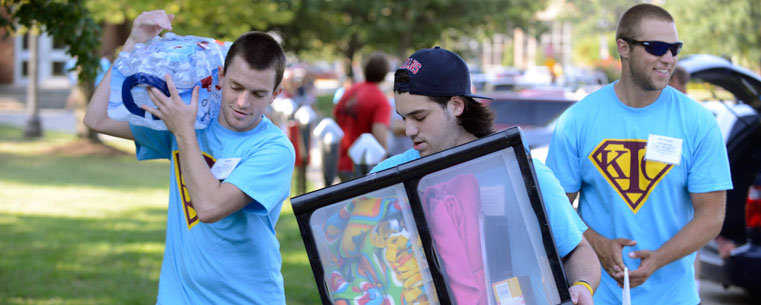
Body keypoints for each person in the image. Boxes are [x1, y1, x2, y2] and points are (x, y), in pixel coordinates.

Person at [83, 10, 294, 304]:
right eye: (236, 87)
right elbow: (98, 118)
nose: (243, 102)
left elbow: (208, 208)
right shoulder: (191, 118)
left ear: (275, 94)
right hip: (178, 296)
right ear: (221, 77)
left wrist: (183, 132)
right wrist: (134, 43)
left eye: (258, 94)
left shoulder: (274, 149)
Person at [371, 46, 600, 305]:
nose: (409, 129)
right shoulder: (387, 180)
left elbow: (577, 251)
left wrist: (582, 286)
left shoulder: (523, 172)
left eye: (420, 116)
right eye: (403, 117)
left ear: (456, 105)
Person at [546, 4, 732, 305]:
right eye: (656, 47)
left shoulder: (698, 122)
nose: (668, 58)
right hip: (598, 297)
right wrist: (597, 244)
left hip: (676, 298)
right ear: (624, 47)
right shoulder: (578, 120)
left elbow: (711, 216)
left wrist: (659, 258)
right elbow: (555, 208)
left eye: (674, 48)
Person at [333, 52, 392, 181]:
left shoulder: (349, 91)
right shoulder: (380, 100)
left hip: (341, 161)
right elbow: (380, 134)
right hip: (363, 167)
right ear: (385, 73)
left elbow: (336, 120)